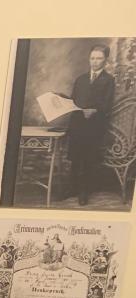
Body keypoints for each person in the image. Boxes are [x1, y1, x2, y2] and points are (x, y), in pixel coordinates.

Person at [68, 44, 115, 206]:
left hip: (95, 124)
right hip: (78, 123)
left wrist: (94, 111)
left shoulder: (108, 80)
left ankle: (84, 191)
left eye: (99, 58)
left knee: (88, 158)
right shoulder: (80, 79)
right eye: (92, 58)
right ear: (89, 59)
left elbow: (107, 104)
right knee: (75, 156)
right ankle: (72, 187)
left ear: (105, 60)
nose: (95, 62)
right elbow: (73, 99)